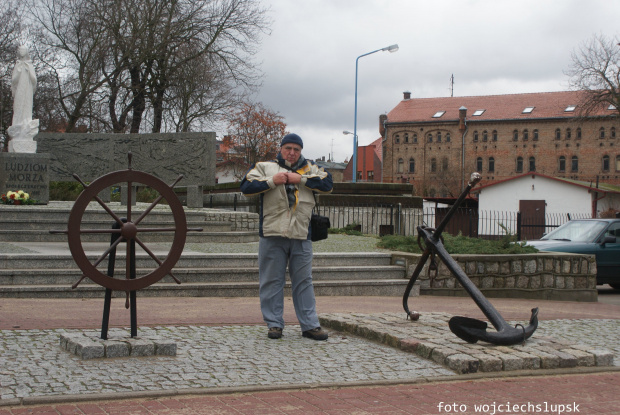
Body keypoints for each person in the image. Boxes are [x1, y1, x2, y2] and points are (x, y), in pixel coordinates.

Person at [240, 133, 333, 340]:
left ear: (301, 151)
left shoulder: (311, 168)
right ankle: (274, 324)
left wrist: (302, 179)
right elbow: (245, 186)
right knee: (271, 280)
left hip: (302, 233)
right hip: (272, 232)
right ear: (281, 149)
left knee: (304, 281)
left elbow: (328, 184)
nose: (292, 153)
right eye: (288, 148)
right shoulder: (264, 166)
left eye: (296, 149)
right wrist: (272, 181)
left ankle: (310, 325)